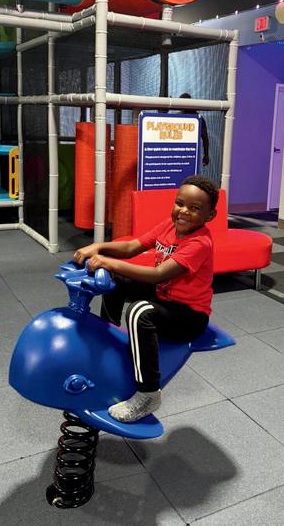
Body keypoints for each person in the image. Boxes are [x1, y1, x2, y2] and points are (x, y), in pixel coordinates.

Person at [74, 175, 218, 423]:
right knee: (118, 279)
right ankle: (108, 336)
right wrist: (98, 247)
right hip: (164, 295)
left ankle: (148, 393)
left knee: (139, 312)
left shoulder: (200, 243)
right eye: (180, 203)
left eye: (194, 208)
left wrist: (108, 261)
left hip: (189, 315)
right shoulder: (169, 226)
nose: (184, 211)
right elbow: (132, 247)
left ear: (210, 216)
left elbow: (158, 274)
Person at [178, 93, 210, 166]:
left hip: (188, 154)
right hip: (187, 154)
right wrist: (206, 155)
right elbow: (205, 139)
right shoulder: (199, 118)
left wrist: (206, 155)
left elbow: (205, 139)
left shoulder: (198, 119)